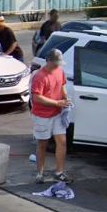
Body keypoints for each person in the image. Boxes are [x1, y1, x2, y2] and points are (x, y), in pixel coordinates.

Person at [31, 49, 72, 184]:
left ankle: (59, 172)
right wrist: (56, 102)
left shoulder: (60, 71)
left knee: (62, 142)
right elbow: (37, 98)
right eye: (55, 63)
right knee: (42, 144)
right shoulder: (39, 76)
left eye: (58, 63)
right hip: (42, 115)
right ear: (48, 60)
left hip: (58, 113)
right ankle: (40, 173)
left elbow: (62, 85)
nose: (57, 65)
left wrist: (65, 97)